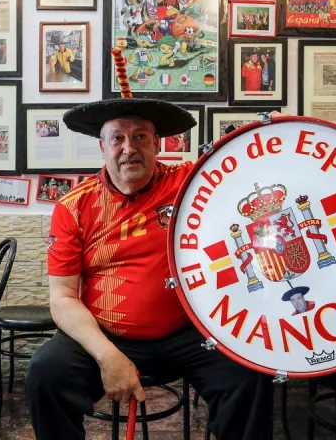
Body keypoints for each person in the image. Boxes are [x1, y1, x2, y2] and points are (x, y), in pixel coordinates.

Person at [26, 96, 276, 440]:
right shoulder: (74, 207)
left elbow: (250, 167)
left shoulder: (191, 183)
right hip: (106, 334)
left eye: (140, 137)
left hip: (191, 331)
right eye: (117, 138)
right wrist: (107, 356)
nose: (129, 148)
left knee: (250, 373)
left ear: (157, 144)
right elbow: (63, 297)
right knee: (45, 375)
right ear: (102, 147)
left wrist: (271, 136)